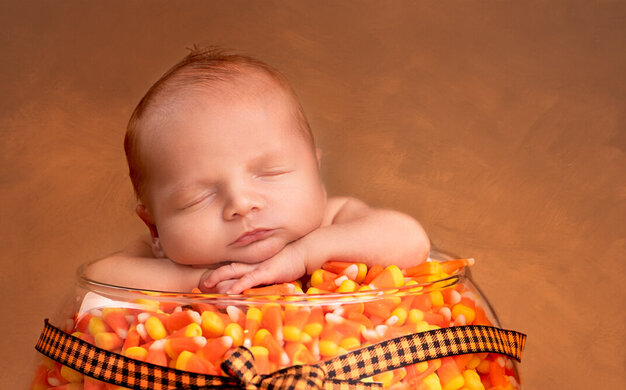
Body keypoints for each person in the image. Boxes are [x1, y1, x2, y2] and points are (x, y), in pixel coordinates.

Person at [84, 48, 430, 294]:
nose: (242, 203)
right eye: (197, 198)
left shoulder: (336, 218)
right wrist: (203, 281)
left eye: (271, 172)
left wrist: (302, 256)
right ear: (155, 227)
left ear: (315, 173)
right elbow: (99, 276)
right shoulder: (166, 258)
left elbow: (410, 240)